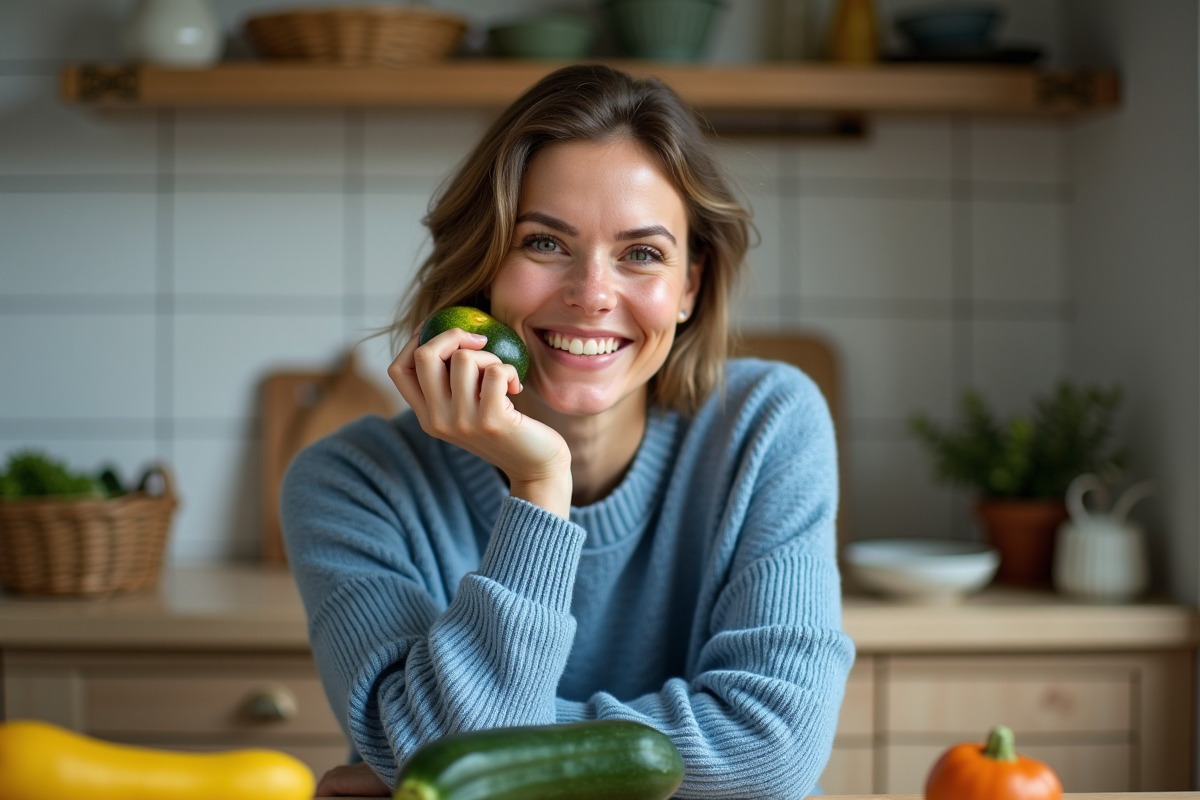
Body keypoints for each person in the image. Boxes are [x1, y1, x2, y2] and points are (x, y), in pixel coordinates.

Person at [281, 63, 855, 799]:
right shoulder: (350, 483)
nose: (591, 296)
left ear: (690, 286)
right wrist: (538, 485)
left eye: (642, 254)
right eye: (544, 243)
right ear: (484, 265)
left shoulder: (768, 425)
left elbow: (773, 754)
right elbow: (448, 769)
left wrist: (447, 753)